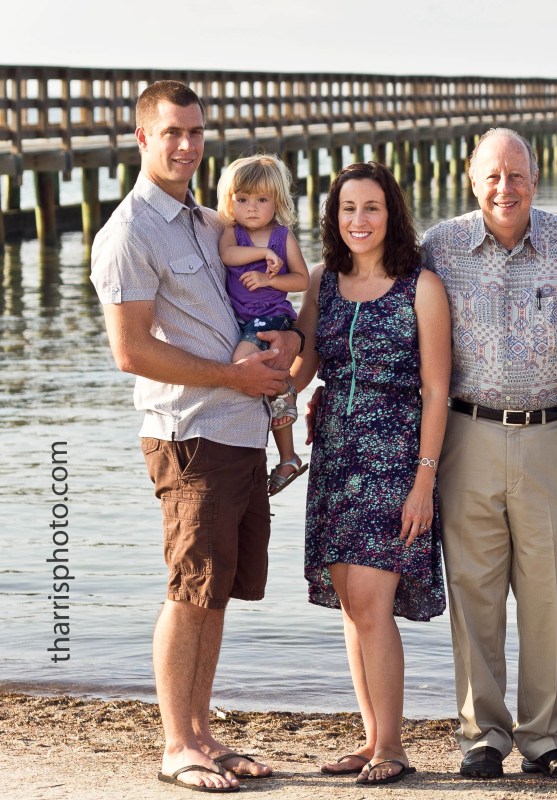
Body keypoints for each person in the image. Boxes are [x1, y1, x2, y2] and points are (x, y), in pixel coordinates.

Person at [90, 79, 301, 793]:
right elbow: (131, 351)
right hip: (190, 433)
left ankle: (204, 732)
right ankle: (176, 742)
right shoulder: (128, 232)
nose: (185, 145)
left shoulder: (207, 222)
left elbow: (271, 279)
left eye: (195, 132)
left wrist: (290, 339)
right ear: (142, 138)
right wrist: (231, 376)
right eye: (170, 132)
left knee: (216, 590)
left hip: (240, 431)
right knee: (188, 587)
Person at [420, 128, 557, 780]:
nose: (507, 188)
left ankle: (545, 739)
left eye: (517, 174)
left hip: (553, 436)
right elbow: (388, 305)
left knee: (549, 592)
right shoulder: (439, 247)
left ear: (536, 176)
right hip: (466, 434)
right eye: (494, 176)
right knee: (473, 590)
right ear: (473, 179)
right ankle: (482, 737)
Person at [289, 162, 450, 786]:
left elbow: (437, 391)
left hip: (396, 458)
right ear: (335, 216)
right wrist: (251, 368)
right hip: (334, 459)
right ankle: (371, 737)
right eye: (348, 208)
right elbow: (303, 366)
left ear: (392, 215)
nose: (359, 220)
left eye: (372, 208)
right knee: (353, 607)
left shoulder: (421, 287)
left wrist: (424, 480)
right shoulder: (323, 283)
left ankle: (394, 746)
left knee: (374, 602)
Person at [215, 154, 311, 496]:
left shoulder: (281, 237)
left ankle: (271, 440)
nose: (251, 208)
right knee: (271, 383)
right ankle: (287, 456)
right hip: (243, 318)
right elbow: (228, 257)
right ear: (230, 201)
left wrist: (270, 280)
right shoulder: (232, 232)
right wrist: (259, 257)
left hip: (273, 316)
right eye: (242, 200)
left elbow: (301, 280)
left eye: (261, 200)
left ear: (277, 202)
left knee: (242, 365)